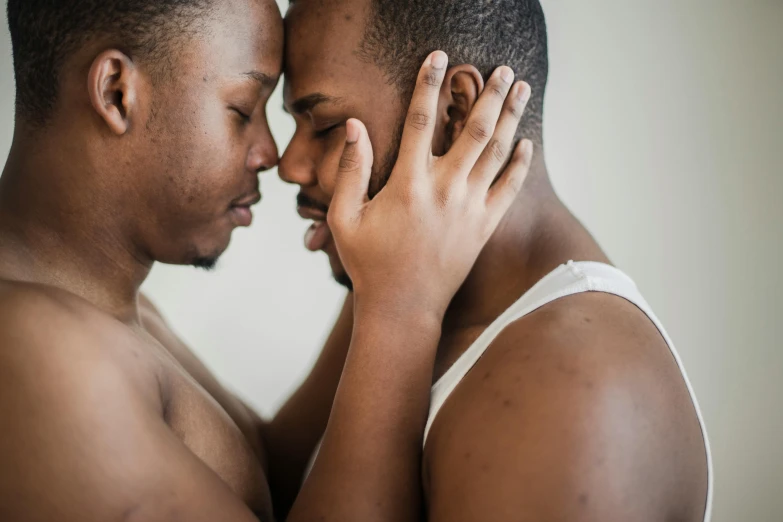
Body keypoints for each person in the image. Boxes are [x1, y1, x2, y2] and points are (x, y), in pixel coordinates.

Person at [0, 0, 534, 520]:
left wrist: (401, 249)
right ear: (118, 92)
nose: (273, 156)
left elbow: (270, 480)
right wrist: (401, 309)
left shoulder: (105, 311)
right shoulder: (33, 352)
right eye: (241, 110)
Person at [279, 0, 713, 521]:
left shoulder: (571, 390)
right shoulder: (400, 282)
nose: (288, 165)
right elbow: (272, 475)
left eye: (323, 124)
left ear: (454, 112)